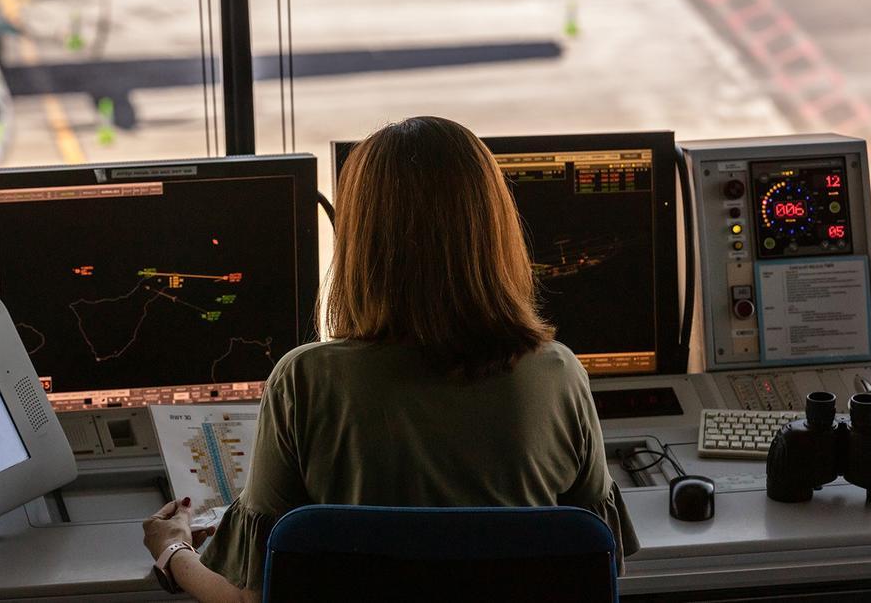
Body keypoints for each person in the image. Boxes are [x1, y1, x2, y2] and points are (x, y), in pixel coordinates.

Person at [143, 116, 640, 601]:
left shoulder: (305, 380)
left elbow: (251, 596)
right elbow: (598, 556)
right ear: (495, 231)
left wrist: (174, 552)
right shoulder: (557, 373)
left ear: (360, 243)